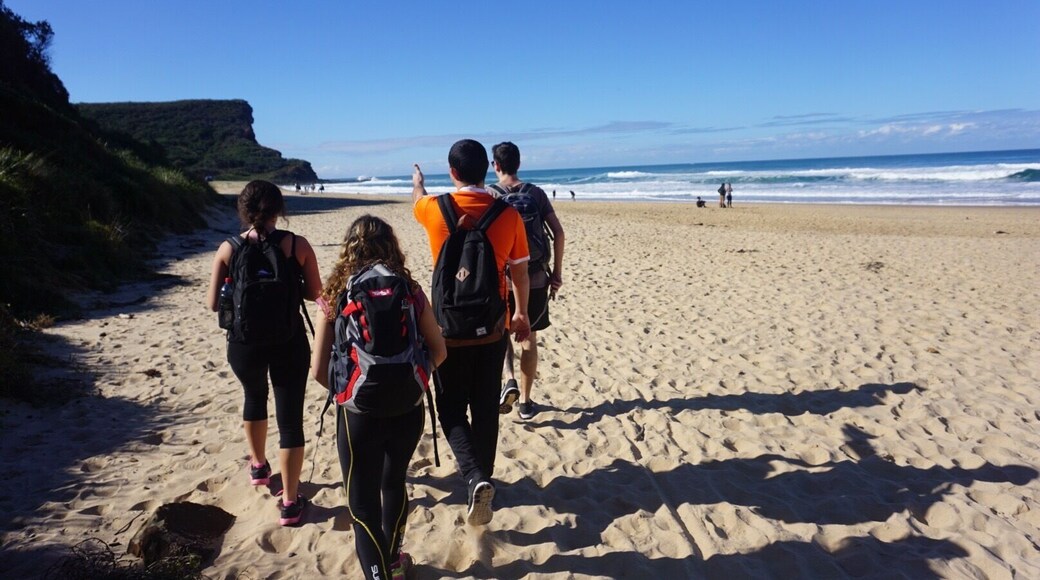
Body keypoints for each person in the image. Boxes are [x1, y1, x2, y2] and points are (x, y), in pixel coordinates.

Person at [310, 215, 447, 580]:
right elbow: (439, 350)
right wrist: (415, 378)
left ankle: (378, 574)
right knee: (394, 482)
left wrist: (349, 391)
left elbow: (318, 369)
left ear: (348, 248)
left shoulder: (336, 293)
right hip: (408, 406)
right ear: (391, 245)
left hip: (358, 413)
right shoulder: (409, 289)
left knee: (362, 504)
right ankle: (394, 561)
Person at [412, 139, 531, 526]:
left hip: (447, 329)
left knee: (450, 407)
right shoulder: (507, 215)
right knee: (485, 405)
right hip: (492, 327)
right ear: (488, 170)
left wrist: (417, 181)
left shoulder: (434, 209)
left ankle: (474, 477)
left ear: (453, 173)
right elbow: (519, 272)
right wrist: (522, 315)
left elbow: (417, 197)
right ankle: (485, 477)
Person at [206, 180, 322, 525]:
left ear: (243, 210)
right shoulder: (296, 246)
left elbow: (213, 304)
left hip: (244, 344)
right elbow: (316, 293)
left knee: (254, 397)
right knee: (290, 420)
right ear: (278, 210)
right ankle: (289, 502)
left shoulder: (228, 249)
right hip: (289, 341)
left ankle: (258, 467)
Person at [489, 141, 565, 421]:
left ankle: (508, 377)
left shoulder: (490, 195)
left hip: (501, 279)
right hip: (535, 279)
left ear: (495, 165)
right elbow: (558, 233)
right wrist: (556, 273)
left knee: (502, 334)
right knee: (529, 338)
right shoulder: (536, 193)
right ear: (519, 164)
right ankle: (525, 402)